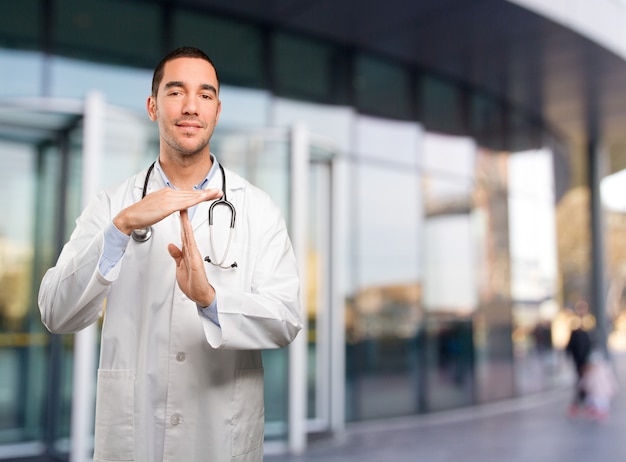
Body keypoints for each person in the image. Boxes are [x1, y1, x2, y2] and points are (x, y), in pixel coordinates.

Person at [38, 46, 302, 462]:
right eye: (176, 92)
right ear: (152, 106)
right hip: (133, 437)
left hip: (220, 438)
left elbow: (286, 317)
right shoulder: (113, 206)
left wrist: (211, 301)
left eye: (205, 94)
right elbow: (55, 312)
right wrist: (119, 231)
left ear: (217, 110)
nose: (191, 106)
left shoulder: (258, 208)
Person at [565, 301, 593, 416]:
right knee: (581, 381)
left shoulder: (589, 322)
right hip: (579, 360)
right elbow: (570, 344)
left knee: (585, 381)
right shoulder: (574, 324)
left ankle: (583, 402)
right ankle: (579, 403)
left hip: (586, 359)